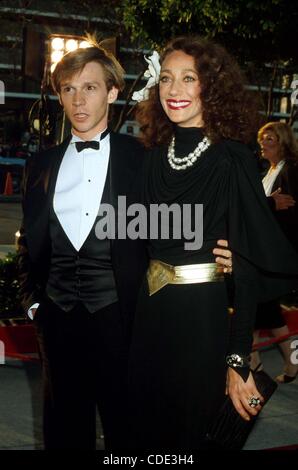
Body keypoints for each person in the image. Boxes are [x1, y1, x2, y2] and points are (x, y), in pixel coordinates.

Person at [17, 39, 232, 450]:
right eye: (68, 89)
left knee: (128, 434)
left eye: (90, 87)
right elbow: (29, 240)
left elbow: (181, 220)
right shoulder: (39, 165)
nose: (78, 100)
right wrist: (32, 301)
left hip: (124, 321)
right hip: (57, 321)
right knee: (63, 432)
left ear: (113, 92)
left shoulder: (143, 159)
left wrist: (227, 252)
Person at [126, 36, 298, 449]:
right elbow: (133, 240)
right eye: (166, 79)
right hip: (148, 317)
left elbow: (251, 268)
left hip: (200, 319)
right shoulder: (150, 156)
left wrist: (238, 359)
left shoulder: (233, 159)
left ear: (211, 87)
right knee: (142, 438)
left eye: (189, 78)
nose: (174, 89)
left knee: (190, 436)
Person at [251, 122, 298, 383]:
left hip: (277, 254)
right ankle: (286, 364)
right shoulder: (268, 171)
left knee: (258, 304)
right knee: (265, 309)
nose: (263, 142)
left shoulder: (290, 171)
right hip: (264, 253)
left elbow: (290, 214)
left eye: (269, 138)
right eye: (261, 138)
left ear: (282, 141)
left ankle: (253, 362)